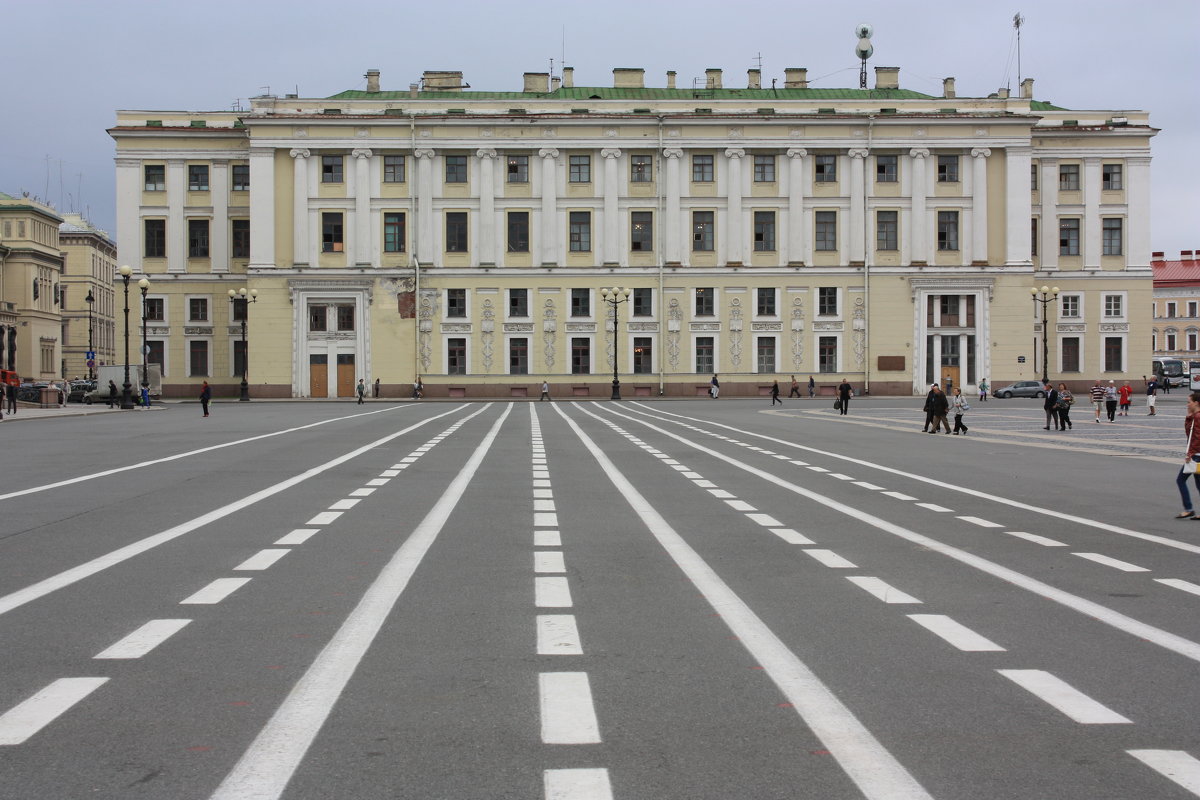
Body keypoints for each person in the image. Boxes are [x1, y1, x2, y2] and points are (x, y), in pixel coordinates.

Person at [1176, 392, 1200, 519]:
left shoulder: (1198, 417)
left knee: (1180, 480)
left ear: (1196, 403)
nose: (1187, 404)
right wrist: (1189, 417)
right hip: (1197, 454)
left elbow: (1196, 437)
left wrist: (1190, 453)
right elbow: (1189, 432)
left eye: (1189, 402)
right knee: (1198, 483)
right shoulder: (1195, 416)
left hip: (1196, 455)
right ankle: (1189, 508)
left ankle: (1188, 508)